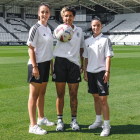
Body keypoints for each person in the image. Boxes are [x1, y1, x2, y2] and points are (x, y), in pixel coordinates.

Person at [52, 6, 85, 131]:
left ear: (73, 17)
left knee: (73, 94)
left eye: (70, 15)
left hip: (74, 64)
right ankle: (60, 120)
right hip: (60, 62)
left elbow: (81, 48)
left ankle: (74, 120)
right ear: (62, 17)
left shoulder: (79, 31)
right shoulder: (58, 29)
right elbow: (53, 37)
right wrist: (59, 32)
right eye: (66, 15)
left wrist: (81, 64)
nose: (68, 18)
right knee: (60, 94)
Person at [83, 16, 114, 137]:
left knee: (103, 100)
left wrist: (107, 72)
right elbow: (86, 57)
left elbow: (108, 56)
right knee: (96, 99)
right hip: (90, 73)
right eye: (94, 25)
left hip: (101, 72)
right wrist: (85, 71)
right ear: (91, 27)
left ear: (101, 26)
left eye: (98, 25)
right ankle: (98, 121)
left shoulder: (105, 40)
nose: (96, 27)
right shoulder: (87, 41)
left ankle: (106, 126)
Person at [27, 3, 55, 135]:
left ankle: (41, 118)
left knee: (42, 94)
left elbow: (49, 49)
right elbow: (30, 48)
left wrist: (51, 65)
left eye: (47, 12)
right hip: (36, 65)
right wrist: (34, 66)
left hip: (46, 64)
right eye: (42, 12)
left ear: (49, 14)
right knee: (34, 95)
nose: (45, 14)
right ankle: (33, 125)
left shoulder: (48, 29)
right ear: (38, 13)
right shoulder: (35, 28)